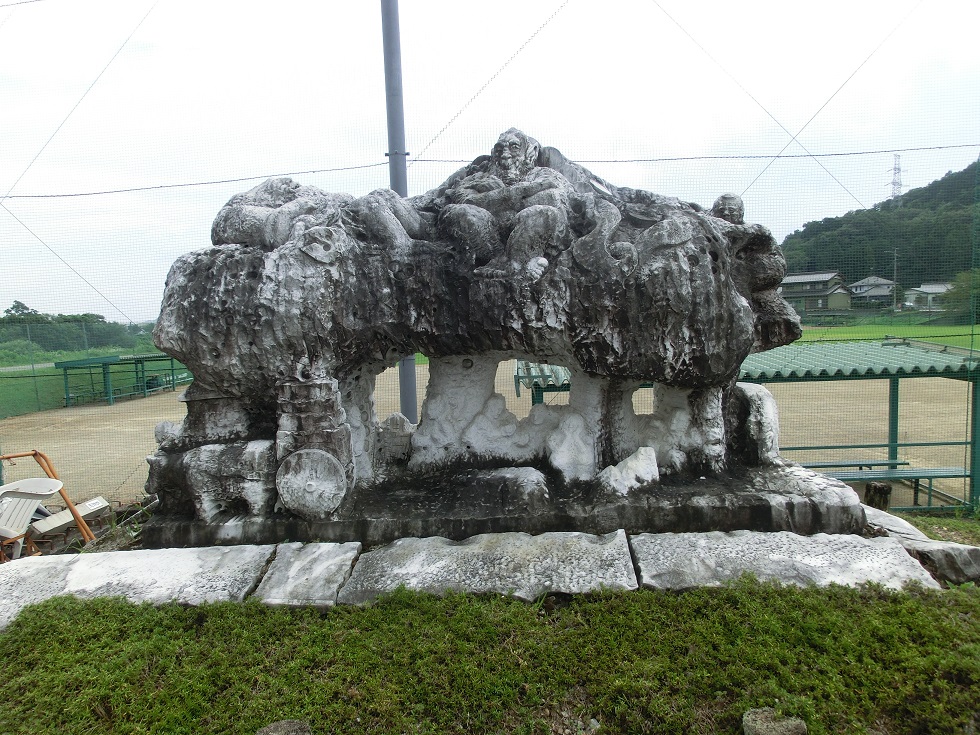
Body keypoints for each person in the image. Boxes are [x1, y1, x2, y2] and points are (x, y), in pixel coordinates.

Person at [438, 128, 573, 279]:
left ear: (528, 152)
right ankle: (504, 264)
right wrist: (526, 191)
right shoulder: (479, 177)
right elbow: (464, 200)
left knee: (542, 213)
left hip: (524, 229)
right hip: (488, 234)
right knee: (459, 213)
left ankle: (517, 263)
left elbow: (553, 198)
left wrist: (498, 196)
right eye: (499, 149)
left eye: (514, 147)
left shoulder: (544, 173)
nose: (505, 154)